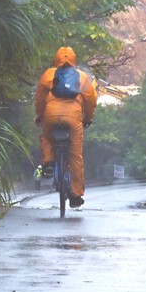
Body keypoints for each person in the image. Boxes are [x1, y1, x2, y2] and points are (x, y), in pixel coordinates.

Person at [34, 47, 97, 208]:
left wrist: (40, 116)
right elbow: (90, 101)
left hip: (51, 115)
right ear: (74, 60)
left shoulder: (49, 74)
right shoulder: (81, 76)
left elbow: (40, 99)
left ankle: (48, 162)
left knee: (47, 137)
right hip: (73, 118)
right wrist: (88, 118)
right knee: (75, 155)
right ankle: (75, 195)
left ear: (56, 59)